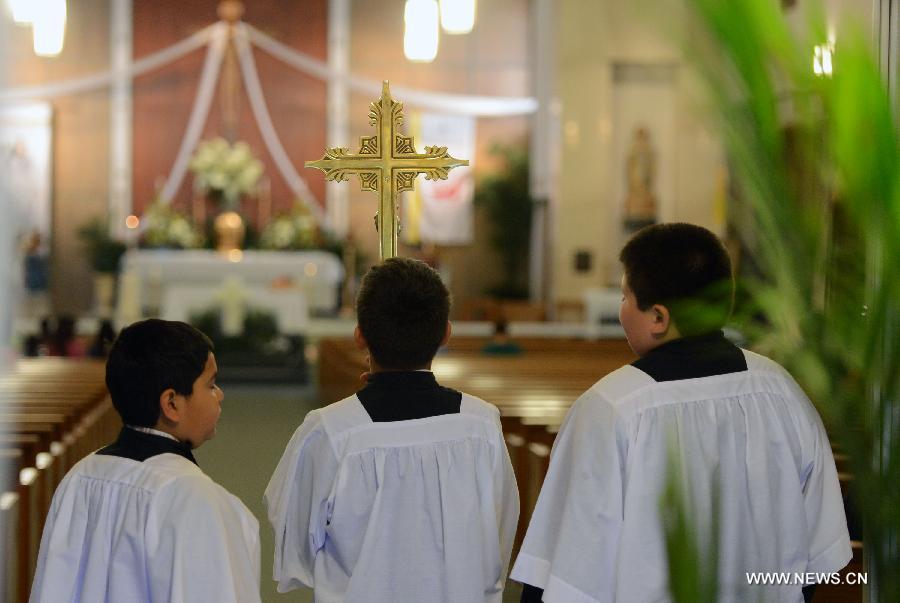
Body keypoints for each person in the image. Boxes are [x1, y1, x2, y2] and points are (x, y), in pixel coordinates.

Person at [511, 223, 851, 602]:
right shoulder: (782, 391)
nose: (621, 310)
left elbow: (563, 572)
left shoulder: (611, 407)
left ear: (658, 317)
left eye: (625, 297)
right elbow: (819, 556)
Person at [265, 257, 519, 602]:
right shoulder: (481, 425)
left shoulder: (331, 432)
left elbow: (294, 542)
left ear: (359, 337)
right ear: (446, 333)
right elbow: (500, 535)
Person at [30, 319, 261, 603]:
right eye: (211, 385)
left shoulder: (80, 474)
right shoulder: (191, 496)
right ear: (172, 404)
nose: (220, 394)